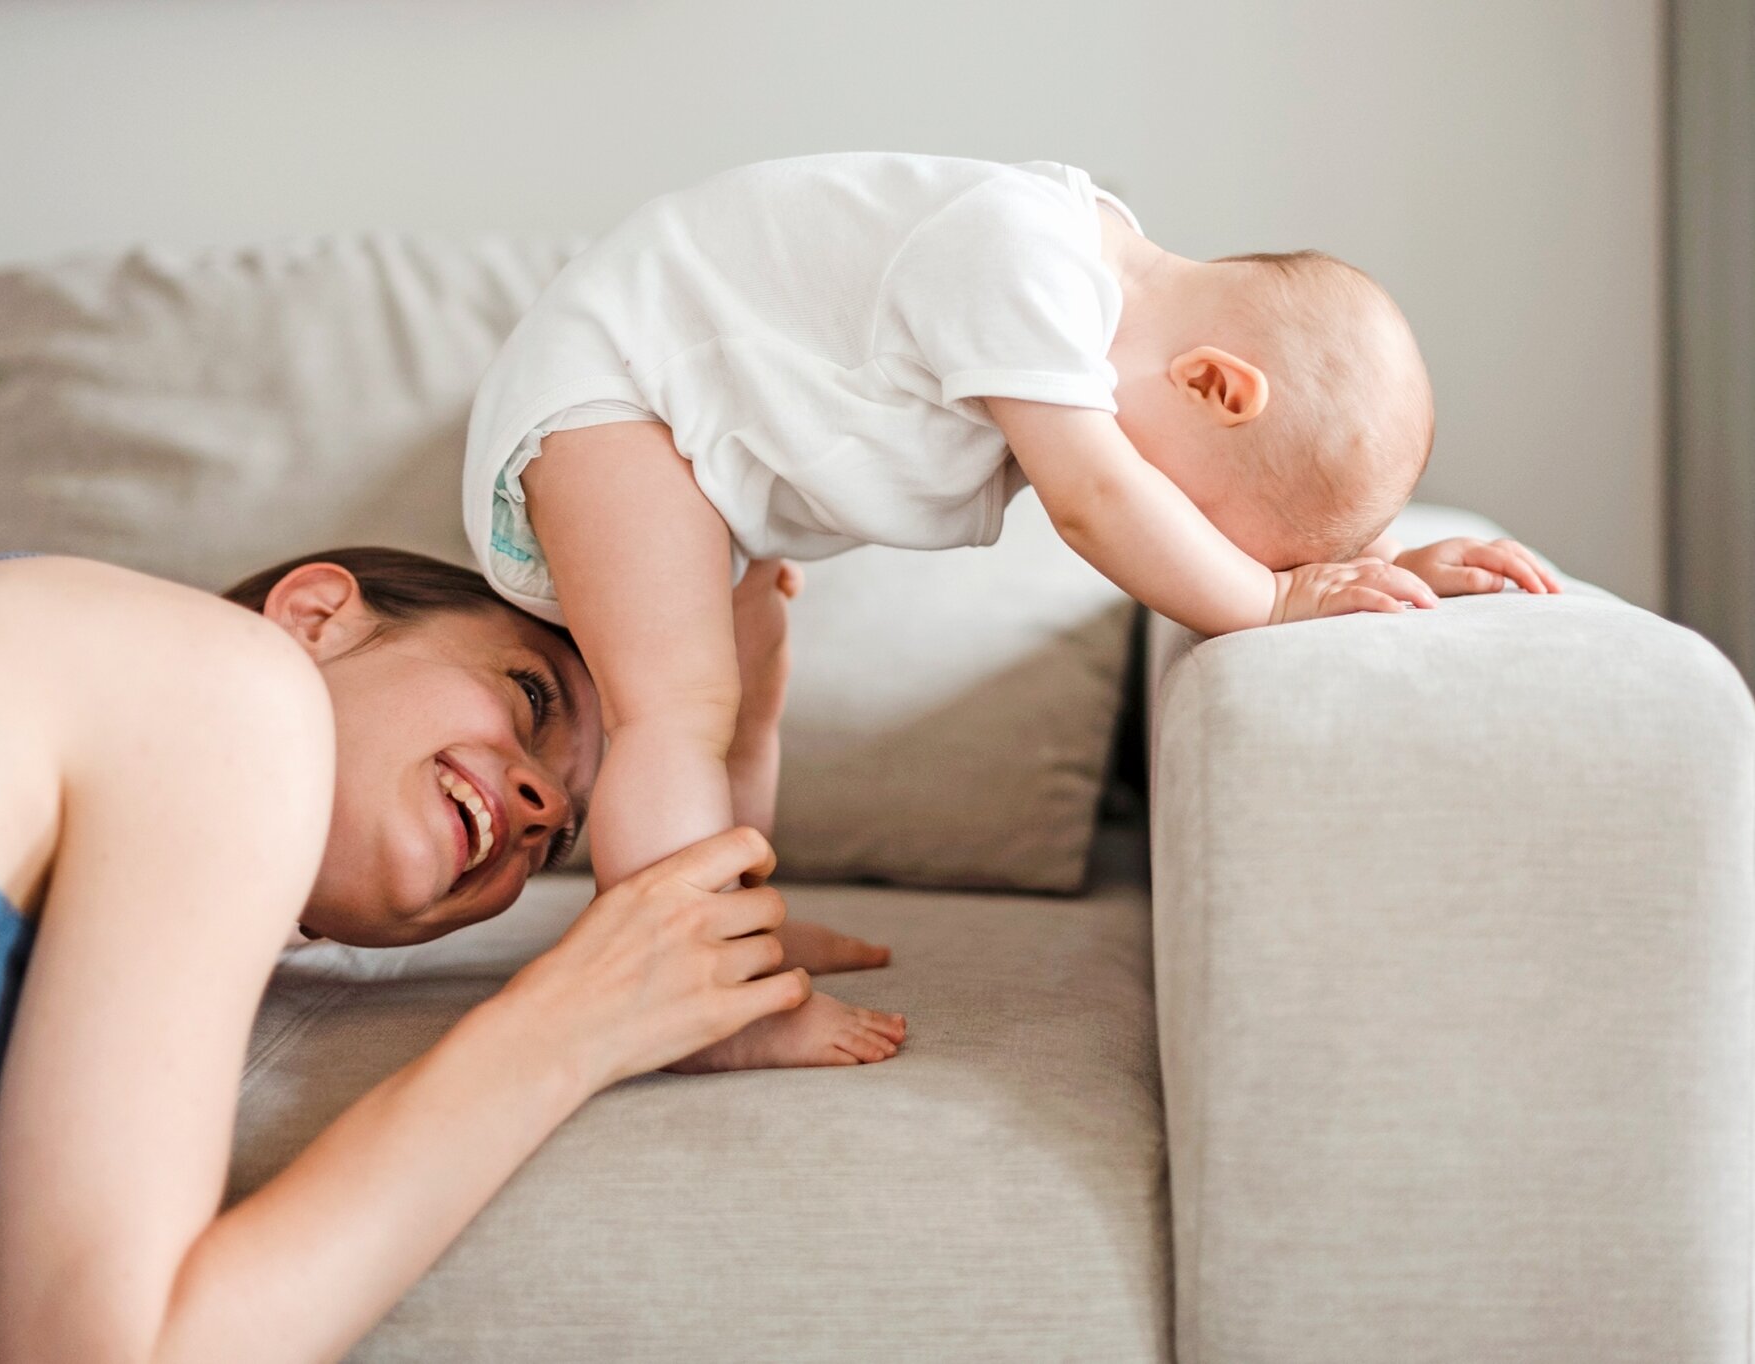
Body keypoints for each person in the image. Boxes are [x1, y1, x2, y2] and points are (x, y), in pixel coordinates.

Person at [461, 152, 1563, 1067]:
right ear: (1216, 385)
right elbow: (1096, 499)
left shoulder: (1086, 285)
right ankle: (685, 1000)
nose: (1191, 545)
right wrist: (1273, 597)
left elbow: (1214, 505)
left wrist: (1384, 562)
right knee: (677, 708)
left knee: (747, 697)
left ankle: (737, 926)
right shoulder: (1029, 262)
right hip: (611, 400)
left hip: (694, 454)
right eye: (1203, 517)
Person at [0, 547, 900, 1364]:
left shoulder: (120, 842)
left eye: (560, 844)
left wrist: (732, 760)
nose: (537, 806)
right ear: (318, 613)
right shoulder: (226, 683)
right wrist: (567, 1023)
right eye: (526, 695)